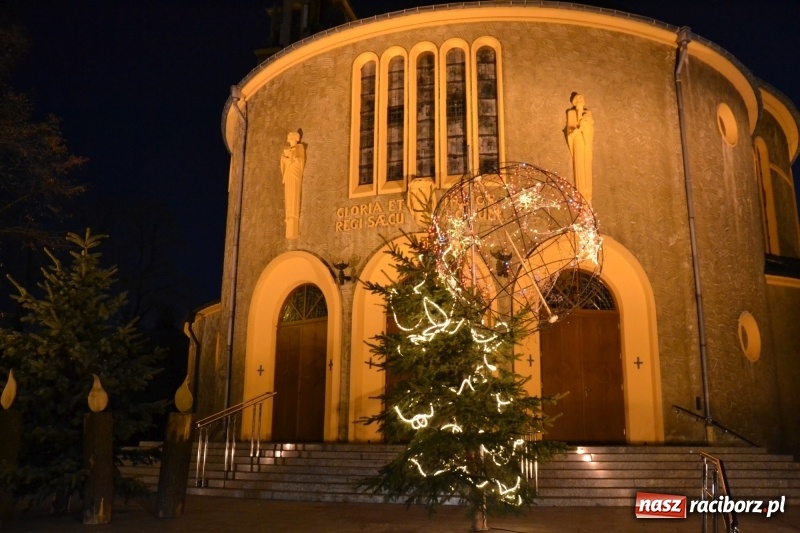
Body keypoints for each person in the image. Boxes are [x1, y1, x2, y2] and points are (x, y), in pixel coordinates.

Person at [565, 93, 594, 202]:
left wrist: (584, 126)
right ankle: (581, 196)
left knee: (586, 164)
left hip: (585, 140)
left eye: (582, 98)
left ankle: (588, 197)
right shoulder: (571, 113)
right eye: (578, 98)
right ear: (574, 102)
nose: (580, 99)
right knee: (579, 163)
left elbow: (590, 128)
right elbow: (570, 129)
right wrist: (575, 131)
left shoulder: (588, 113)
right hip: (577, 139)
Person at [280, 131, 305, 238]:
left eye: (293, 138)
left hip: (295, 172)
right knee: (288, 194)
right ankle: (288, 216)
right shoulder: (286, 149)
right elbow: (282, 164)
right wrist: (284, 159)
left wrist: (294, 157)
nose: (291, 140)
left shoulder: (300, 147)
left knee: (294, 193)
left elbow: (301, 161)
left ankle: (293, 218)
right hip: (289, 173)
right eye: (290, 138)